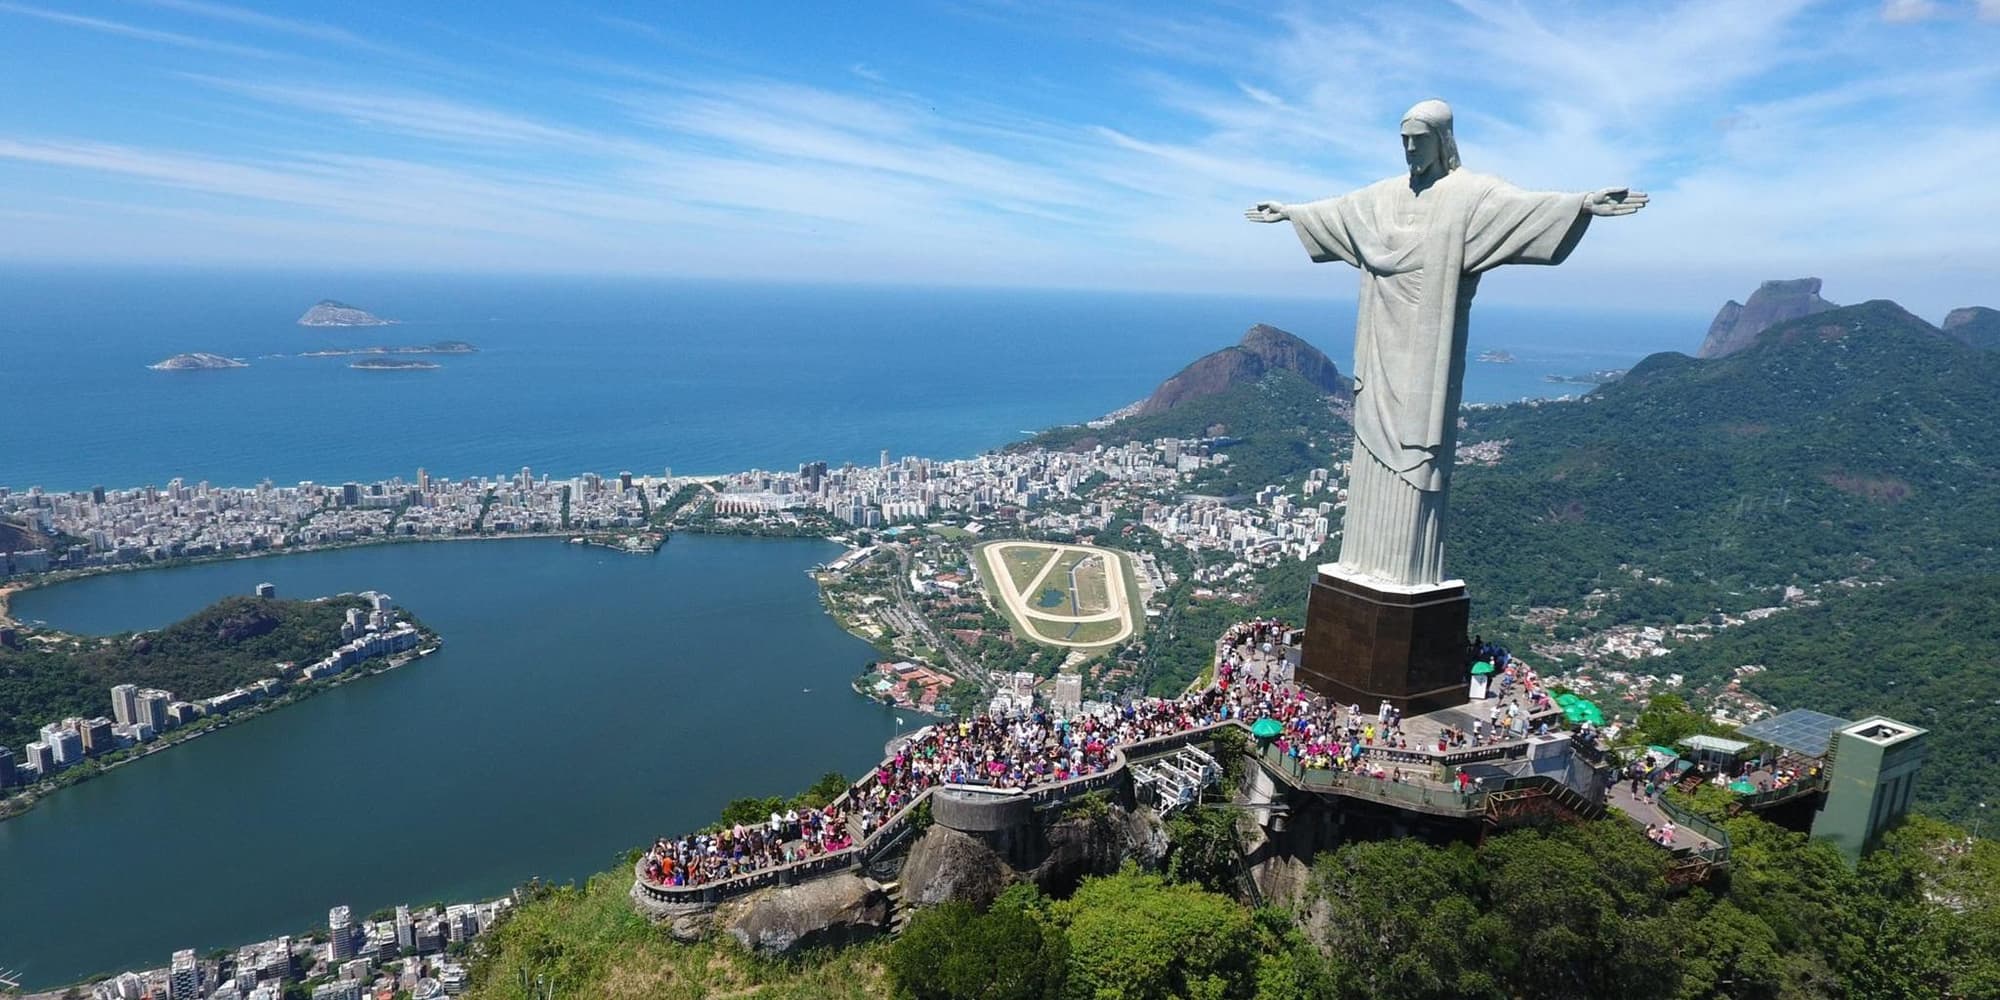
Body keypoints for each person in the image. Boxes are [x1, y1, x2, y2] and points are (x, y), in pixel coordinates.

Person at [1246, 99, 1646, 586]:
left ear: (1444, 140)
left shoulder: (1471, 194)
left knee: (1419, 453)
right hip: (1378, 343)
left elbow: (1524, 209)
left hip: (1427, 354)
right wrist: (1290, 213)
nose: (1411, 149)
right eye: (1404, 140)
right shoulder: (1382, 196)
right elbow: (1339, 213)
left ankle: (1407, 569)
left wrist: (1581, 203)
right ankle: (1365, 560)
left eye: (1421, 139)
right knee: (1370, 449)